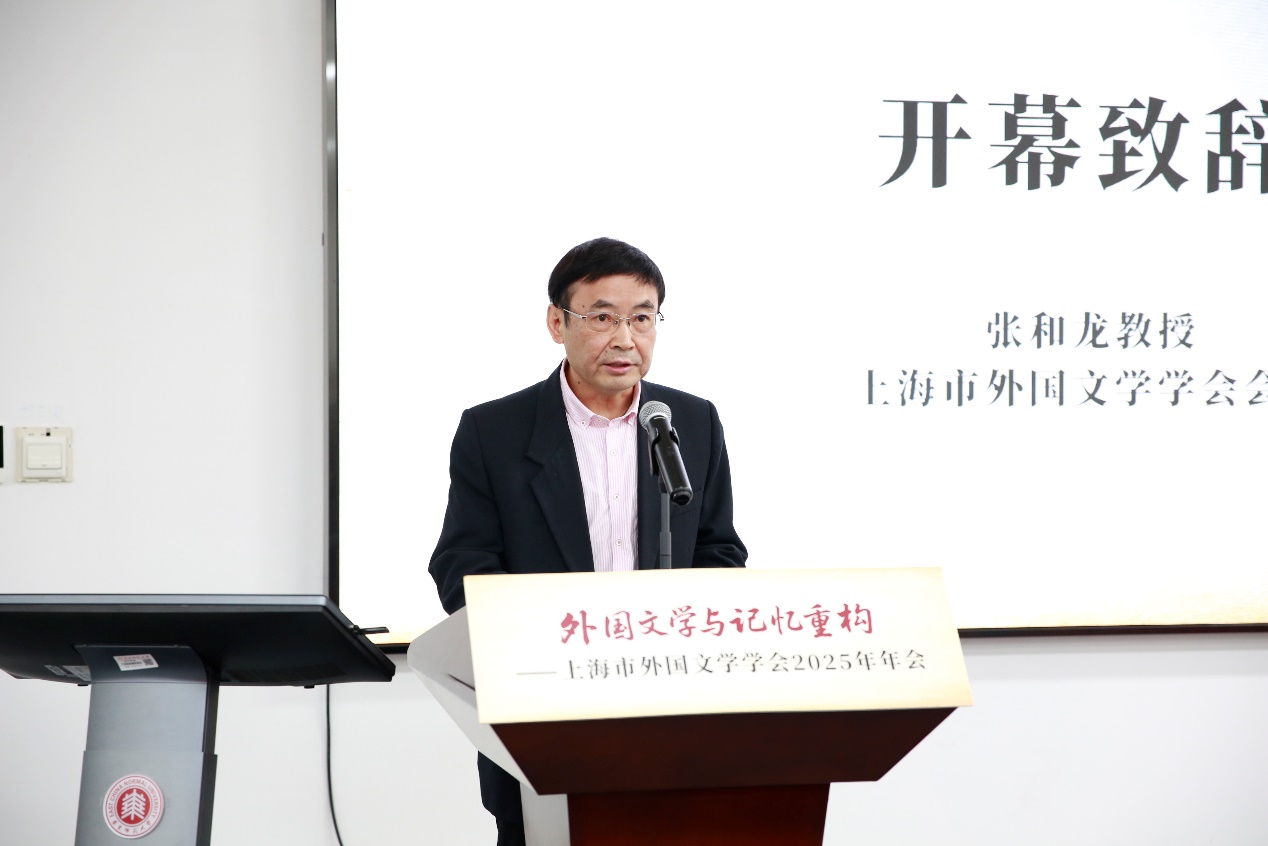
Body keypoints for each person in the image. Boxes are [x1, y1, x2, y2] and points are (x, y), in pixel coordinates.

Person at [428, 236, 747, 846]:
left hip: (669, 712)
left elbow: (719, 550)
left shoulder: (691, 421)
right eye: (603, 318)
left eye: (642, 318)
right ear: (557, 323)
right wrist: (538, 644)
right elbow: (461, 562)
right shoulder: (494, 431)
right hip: (542, 710)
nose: (625, 339)